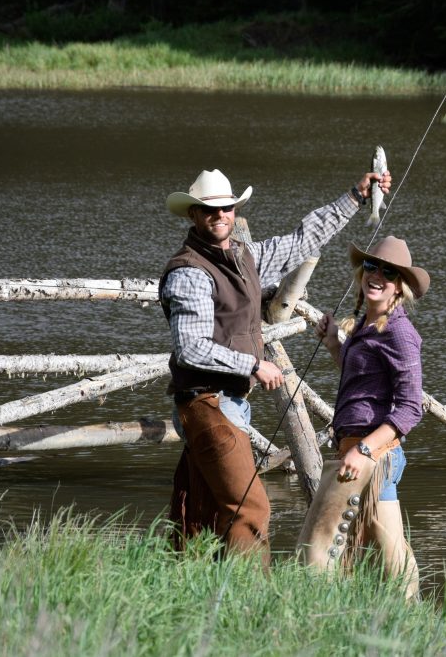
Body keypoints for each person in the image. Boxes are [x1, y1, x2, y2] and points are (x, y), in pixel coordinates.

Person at [160, 165, 391, 564]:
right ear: (193, 216)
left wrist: (356, 196)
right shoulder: (189, 273)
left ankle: (188, 583)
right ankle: (253, 599)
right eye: (209, 210)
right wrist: (252, 365)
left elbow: (304, 238)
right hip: (205, 404)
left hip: (226, 404)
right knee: (251, 508)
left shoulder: (246, 258)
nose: (220, 216)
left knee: (200, 509)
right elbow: (191, 349)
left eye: (226, 208)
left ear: (235, 211)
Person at [299, 235, 429, 597]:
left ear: (400, 287)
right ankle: (384, 615)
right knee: (373, 548)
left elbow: (408, 408)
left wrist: (365, 451)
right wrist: (335, 345)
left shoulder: (401, 334)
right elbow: (362, 381)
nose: (377, 275)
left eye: (389, 272)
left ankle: (410, 620)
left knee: (346, 548)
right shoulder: (367, 326)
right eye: (371, 266)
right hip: (358, 450)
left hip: (375, 456)